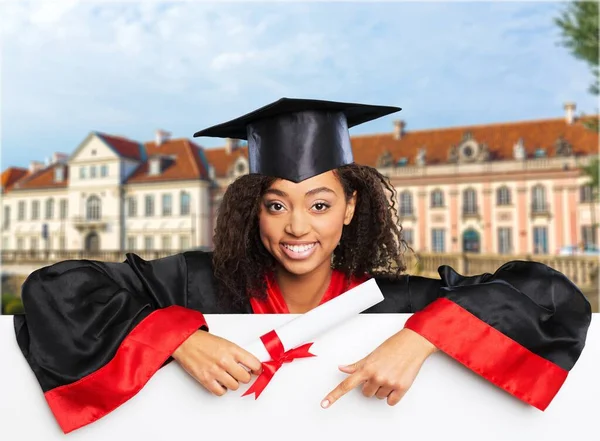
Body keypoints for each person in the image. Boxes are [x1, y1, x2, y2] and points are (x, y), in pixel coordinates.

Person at [13, 98, 592, 434]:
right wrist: (175, 333)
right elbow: (54, 290)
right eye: (275, 205)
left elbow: (551, 297)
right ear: (252, 211)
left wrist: (424, 336)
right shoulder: (192, 283)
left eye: (320, 204)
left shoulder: (392, 300)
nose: (296, 228)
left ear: (351, 207)